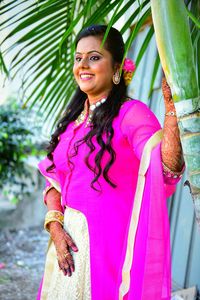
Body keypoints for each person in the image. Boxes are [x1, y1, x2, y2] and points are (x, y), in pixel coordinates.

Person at [37, 25, 185, 300]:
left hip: (109, 250)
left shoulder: (132, 114)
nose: (83, 65)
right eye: (78, 58)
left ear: (117, 67)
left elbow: (164, 169)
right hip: (67, 252)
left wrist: (172, 113)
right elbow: (55, 178)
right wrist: (55, 226)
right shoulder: (72, 120)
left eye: (94, 57)